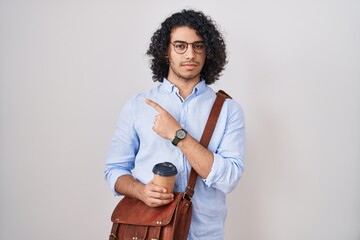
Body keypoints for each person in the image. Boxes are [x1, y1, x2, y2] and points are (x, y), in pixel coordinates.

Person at [104, 9, 245, 239]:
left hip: (205, 235)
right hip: (148, 232)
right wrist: (141, 191)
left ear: (208, 51)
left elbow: (229, 178)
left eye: (198, 46)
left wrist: (178, 135)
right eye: (181, 46)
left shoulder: (229, 110)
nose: (190, 54)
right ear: (166, 51)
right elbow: (114, 170)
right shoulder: (138, 106)